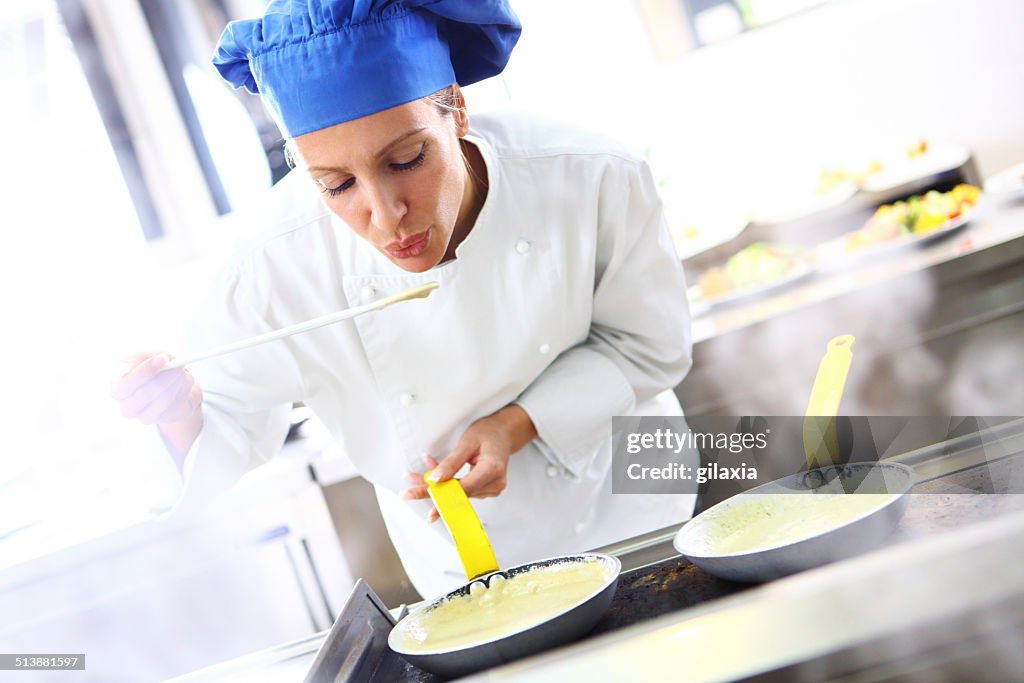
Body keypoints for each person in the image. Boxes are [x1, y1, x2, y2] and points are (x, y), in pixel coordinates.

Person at [111, 0, 697, 599]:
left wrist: (517, 424)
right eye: (336, 185)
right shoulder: (271, 265)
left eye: (406, 159)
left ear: (457, 107)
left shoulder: (587, 174)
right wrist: (177, 410)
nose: (385, 214)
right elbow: (222, 435)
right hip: (468, 567)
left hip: (638, 510)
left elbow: (651, 347)